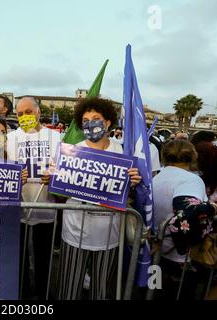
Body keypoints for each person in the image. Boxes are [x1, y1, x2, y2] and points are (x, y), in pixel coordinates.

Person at [58, 98, 141, 300]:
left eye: (96, 118)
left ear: (108, 122)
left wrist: (133, 181)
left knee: (101, 288)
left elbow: (126, 193)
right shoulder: (71, 151)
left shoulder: (122, 152)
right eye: (85, 119)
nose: (90, 123)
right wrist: (55, 176)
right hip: (75, 231)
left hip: (108, 235)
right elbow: (61, 189)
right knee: (69, 287)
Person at [6, 97, 61, 299]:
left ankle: (43, 295)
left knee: (43, 259)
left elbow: (65, 171)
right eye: (20, 114)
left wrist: (55, 177)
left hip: (46, 209)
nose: (24, 117)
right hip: (17, 211)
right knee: (18, 258)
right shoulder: (10, 138)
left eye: (28, 112)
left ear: (38, 112)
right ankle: (22, 294)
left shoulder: (55, 138)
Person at [153, 140, 217, 299]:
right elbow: (190, 213)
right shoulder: (191, 180)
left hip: (156, 251)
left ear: (164, 156)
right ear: (193, 156)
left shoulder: (157, 178)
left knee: (155, 291)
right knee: (181, 294)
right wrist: (213, 207)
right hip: (179, 256)